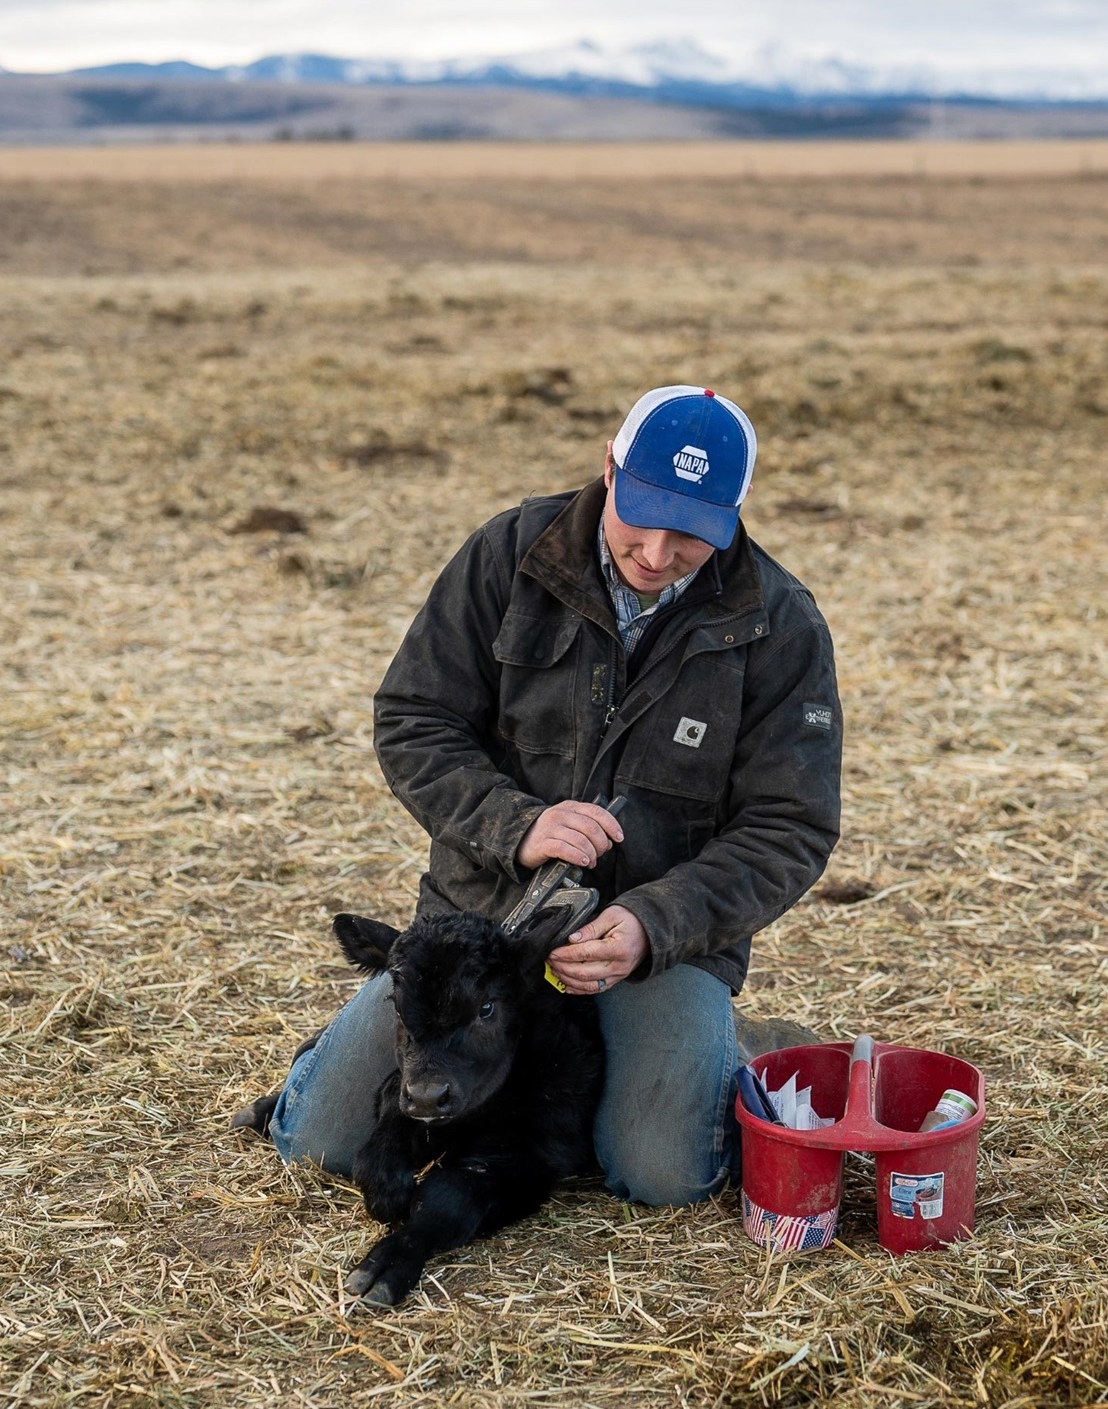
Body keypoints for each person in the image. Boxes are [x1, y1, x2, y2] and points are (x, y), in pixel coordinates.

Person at [234, 385, 841, 1206]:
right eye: (645, 514)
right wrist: (515, 825)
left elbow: (790, 825)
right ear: (609, 468)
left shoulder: (781, 622)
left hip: (659, 951)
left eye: (692, 533)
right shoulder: (509, 555)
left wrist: (653, 923)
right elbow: (414, 717)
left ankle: (721, 1046)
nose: (658, 553)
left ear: (733, 518)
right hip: (483, 926)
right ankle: (344, 1046)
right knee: (320, 1143)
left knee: (663, 1175)